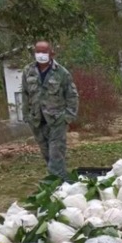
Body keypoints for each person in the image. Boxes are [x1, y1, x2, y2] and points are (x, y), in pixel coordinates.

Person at [20, 41, 79, 180]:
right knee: (47, 155)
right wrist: (26, 115)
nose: (41, 55)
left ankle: (53, 186)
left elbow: (72, 95)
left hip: (57, 120)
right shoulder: (28, 71)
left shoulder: (61, 72)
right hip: (37, 120)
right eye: (38, 51)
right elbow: (25, 94)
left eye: (44, 52)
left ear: (51, 53)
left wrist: (68, 116)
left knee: (56, 154)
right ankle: (64, 182)